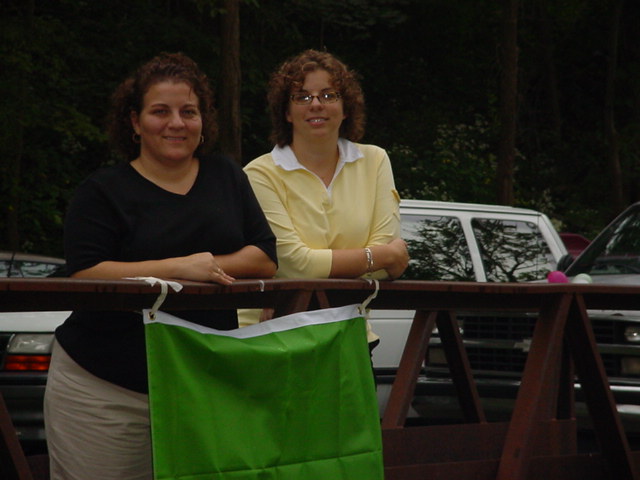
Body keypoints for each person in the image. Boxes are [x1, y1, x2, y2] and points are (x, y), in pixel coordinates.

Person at [44, 52, 277, 480]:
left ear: (203, 120)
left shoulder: (225, 175)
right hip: (106, 390)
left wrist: (208, 265)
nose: (176, 123)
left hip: (202, 383)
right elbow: (84, 272)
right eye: (160, 111)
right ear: (135, 122)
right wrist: (177, 268)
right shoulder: (102, 191)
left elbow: (264, 256)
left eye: (189, 111)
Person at [241, 49, 409, 343]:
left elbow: (302, 269)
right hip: (275, 337)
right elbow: (294, 264)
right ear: (286, 112)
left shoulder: (375, 161)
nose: (316, 104)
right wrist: (380, 256)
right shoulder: (259, 174)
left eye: (329, 95)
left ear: (346, 108)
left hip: (351, 337)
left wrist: (309, 269)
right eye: (302, 97)